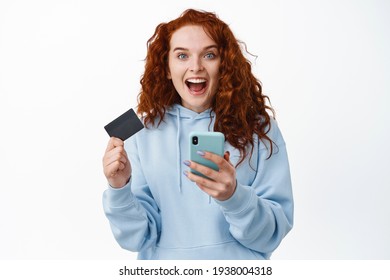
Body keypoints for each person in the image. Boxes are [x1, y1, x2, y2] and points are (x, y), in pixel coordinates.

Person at [102, 9, 293, 260]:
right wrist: (119, 188)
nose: (196, 67)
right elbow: (137, 238)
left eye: (210, 55)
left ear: (224, 65)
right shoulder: (142, 132)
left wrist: (234, 196)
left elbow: (271, 235)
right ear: (167, 68)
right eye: (182, 55)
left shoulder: (259, 127)